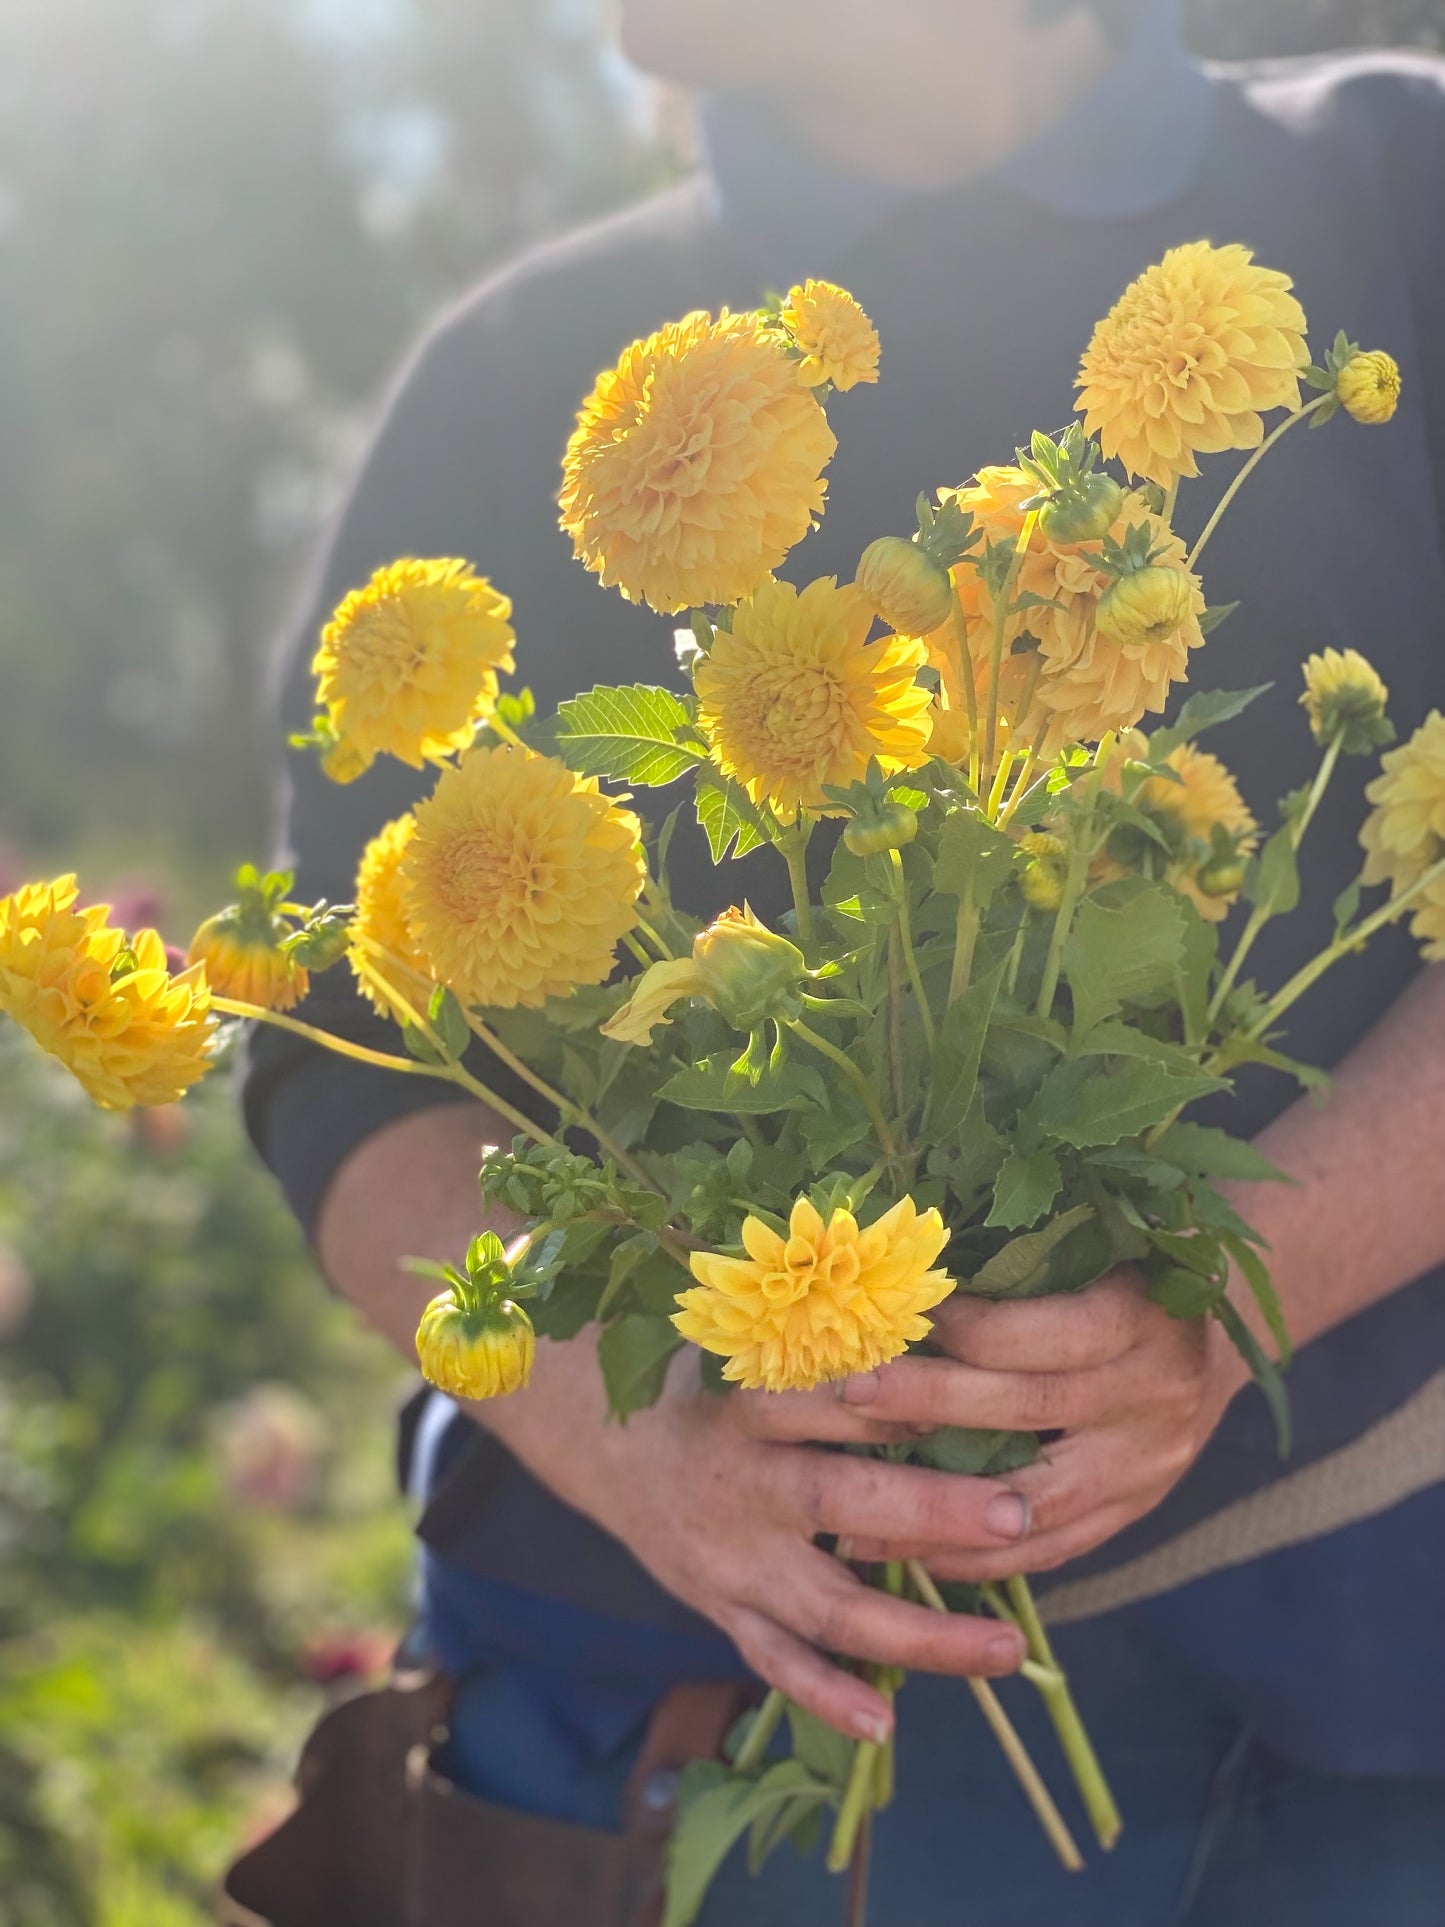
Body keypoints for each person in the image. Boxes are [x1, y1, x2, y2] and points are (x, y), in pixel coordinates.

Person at [236, 2, 1445, 1921]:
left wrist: (1245, 1292)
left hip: (1379, 1660)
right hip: (713, 1702)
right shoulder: (524, 376)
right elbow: (332, 1055)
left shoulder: (1397, 195)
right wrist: (624, 1425)